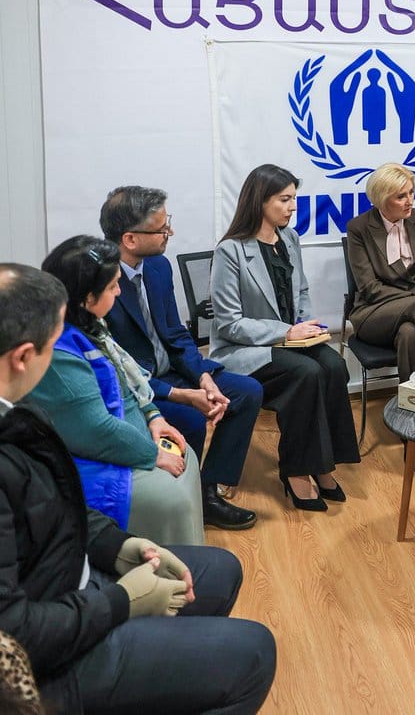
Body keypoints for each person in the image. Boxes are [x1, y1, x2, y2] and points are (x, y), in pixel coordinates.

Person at [0, 263, 276, 713]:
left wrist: (119, 545)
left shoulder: (20, 411)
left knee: (221, 570)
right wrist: (122, 602)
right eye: (55, 344)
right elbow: (15, 632)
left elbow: (56, 502)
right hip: (53, 659)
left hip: (77, 579)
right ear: (23, 357)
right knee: (255, 652)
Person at [99, 185, 261, 531]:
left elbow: (175, 333)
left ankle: (208, 491)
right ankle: (188, 504)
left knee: (246, 392)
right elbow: (118, 366)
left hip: (175, 371)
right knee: (189, 416)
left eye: (166, 223)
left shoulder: (157, 266)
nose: (169, 232)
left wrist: (203, 377)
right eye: (160, 228)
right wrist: (183, 394)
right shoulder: (100, 283)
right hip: (141, 388)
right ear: (129, 238)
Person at [27, 238, 205, 546]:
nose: (120, 293)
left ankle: (191, 567)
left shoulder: (91, 326)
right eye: (113, 288)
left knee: (184, 454)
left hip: (126, 436)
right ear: (86, 298)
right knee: (170, 497)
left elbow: (125, 376)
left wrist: (154, 416)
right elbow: (95, 430)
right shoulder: (58, 353)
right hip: (91, 460)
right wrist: (153, 455)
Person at [210, 163, 360, 511]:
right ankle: (296, 472)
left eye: (294, 198)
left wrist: (307, 327)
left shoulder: (289, 239)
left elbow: (301, 291)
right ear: (260, 200)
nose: (293, 206)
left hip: (291, 341)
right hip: (244, 350)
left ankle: (323, 465)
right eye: (285, 199)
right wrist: (287, 332)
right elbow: (229, 324)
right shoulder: (230, 251)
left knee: (334, 366)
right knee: (306, 374)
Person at [345, 162, 415, 383]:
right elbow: (370, 289)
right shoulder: (359, 228)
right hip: (374, 313)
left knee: (409, 334)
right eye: (401, 196)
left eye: (412, 192)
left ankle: (414, 406)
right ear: (382, 200)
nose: (410, 201)